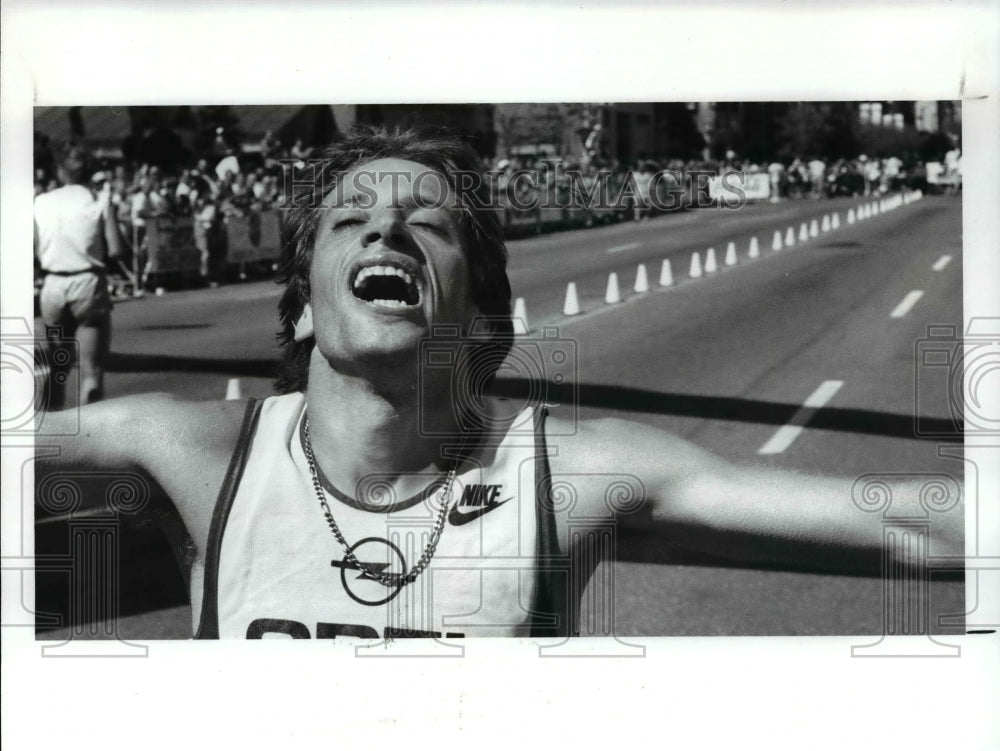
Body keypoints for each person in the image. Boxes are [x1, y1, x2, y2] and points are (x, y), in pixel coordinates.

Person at [36, 127, 962, 640]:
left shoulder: (555, 471)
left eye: (424, 225)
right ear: (307, 309)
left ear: (483, 319)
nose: (384, 233)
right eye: (349, 219)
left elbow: (907, 518)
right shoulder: (194, 451)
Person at [34, 147, 124, 408]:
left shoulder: (41, 202)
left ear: (60, 171)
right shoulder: (99, 199)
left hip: (52, 284)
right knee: (91, 371)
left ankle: (52, 435)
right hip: (87, 282)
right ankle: (88, 437)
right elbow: (116, 249)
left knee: (57, 368)